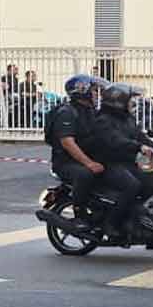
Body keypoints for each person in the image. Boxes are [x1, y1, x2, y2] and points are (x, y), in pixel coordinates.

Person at [88, 83, 153, 237]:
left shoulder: (127, 118)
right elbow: (115, 140)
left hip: (127, 163)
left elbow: (139, 135)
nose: (133, 103)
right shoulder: (103, 120)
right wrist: (139, 147)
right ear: (118, 101)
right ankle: (111, 223)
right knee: (132, 186)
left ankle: (144, 225)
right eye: (130, 100)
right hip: (109, 164)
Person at [48, 75, 105, 214]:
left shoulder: (90, 111)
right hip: (67, 162)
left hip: (86, 157)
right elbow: (67, 142)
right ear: (82, 91)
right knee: (85, 174)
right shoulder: (67, 112)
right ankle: (79, 210)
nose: (97, 94)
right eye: (94, 90)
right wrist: (89, 163)